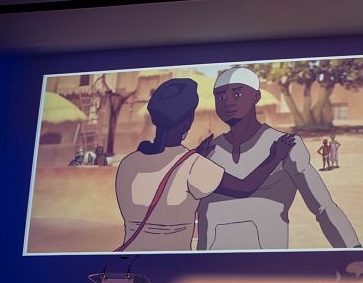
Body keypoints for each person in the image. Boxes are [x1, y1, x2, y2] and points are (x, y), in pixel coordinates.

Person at [115, 78, 294, 252]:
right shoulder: (194, 166)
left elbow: (164, 175)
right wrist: (275, 156)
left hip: (131, 260)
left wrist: (193, 156)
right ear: (189, 120)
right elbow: (244, 188)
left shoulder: (128, 163)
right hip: (171, 265)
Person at [196, 67, 360, 250]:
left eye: (237, 94)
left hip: (266, 266)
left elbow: (324, 207)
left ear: (256, 97)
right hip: (209, 267)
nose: (228, 102)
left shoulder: (286, 145)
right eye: (220, 97)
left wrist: (353, 250)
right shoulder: (207, 151)